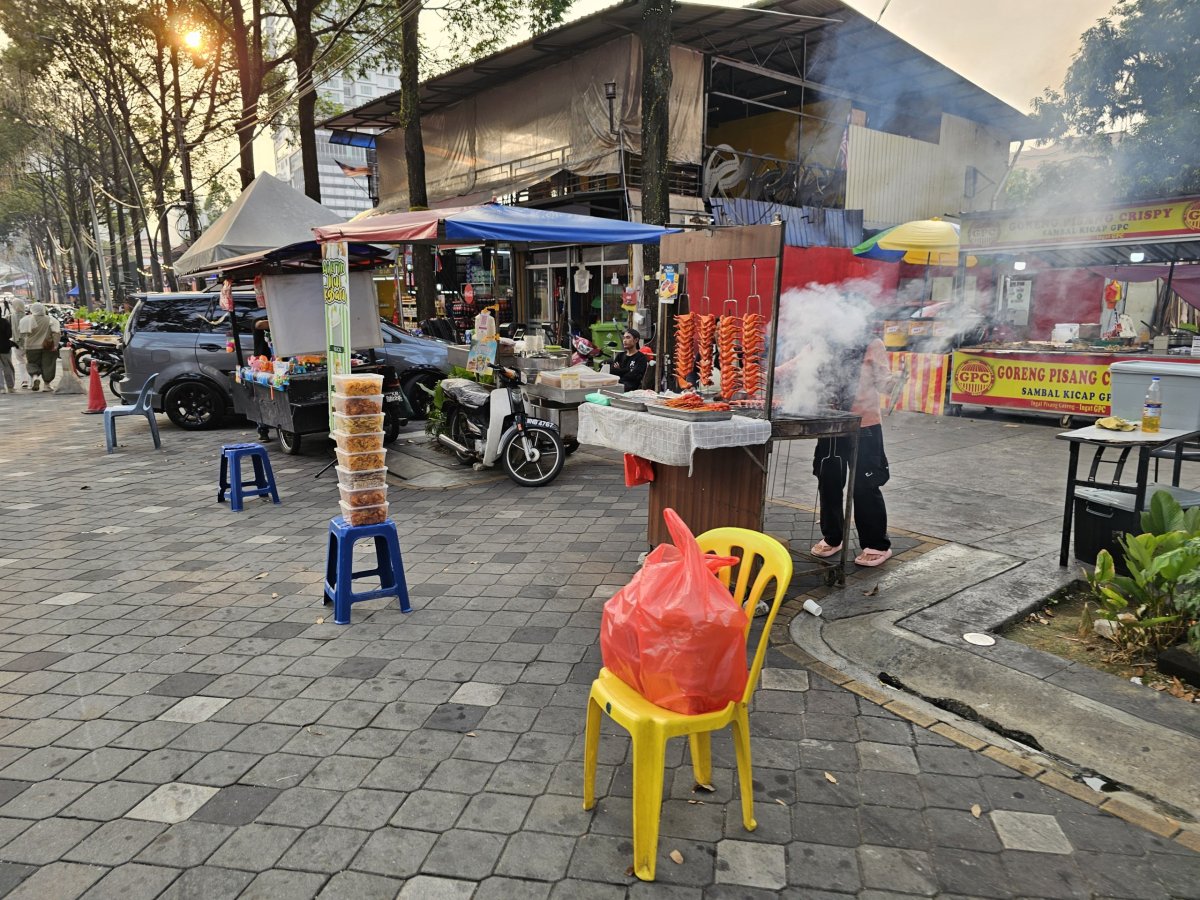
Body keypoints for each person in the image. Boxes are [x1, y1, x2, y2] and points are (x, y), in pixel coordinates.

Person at [805, 336, 897, 567]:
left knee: (864, 485)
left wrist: (893, 382)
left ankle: (876, 544)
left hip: (864, 425)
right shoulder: (823, 341)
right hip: (830, 423)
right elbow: (799, 364)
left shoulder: (871, 343)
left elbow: (883, 380)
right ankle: (832, 537)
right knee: (829, 480)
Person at [18, 302, 62, 391]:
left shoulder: (27, 320)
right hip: (47, 346)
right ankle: (47, 385)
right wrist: (55, 344)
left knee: (32, 363)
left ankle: (35, 377)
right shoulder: (51, 319)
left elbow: (22, 334)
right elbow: (56, 333)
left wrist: (22, 346)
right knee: (48, 365)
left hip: (31, 347)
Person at [610, 328, 648, 393]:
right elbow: (612, 372)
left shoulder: (641, 358)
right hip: (616, 385)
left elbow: (634, 377)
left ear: (636, 340)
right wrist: (627, 370)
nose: (624, 340)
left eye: (628, 338)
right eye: (624, 338)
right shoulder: (620, 355)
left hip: (630, 389)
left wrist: (620, 370)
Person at [8, 299, 28, 389]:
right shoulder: (28, 317)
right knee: (30, 361)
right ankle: (33, 379)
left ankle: (24, 381)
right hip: (28, 343)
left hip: (16, 342)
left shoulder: (9, 317)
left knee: (20, 362)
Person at [0, 311, 15, 392]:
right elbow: (9, 335)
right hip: (5, 347)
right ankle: (10, 387)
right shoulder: (5, 322)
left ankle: (1, 388)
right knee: (7, 367)